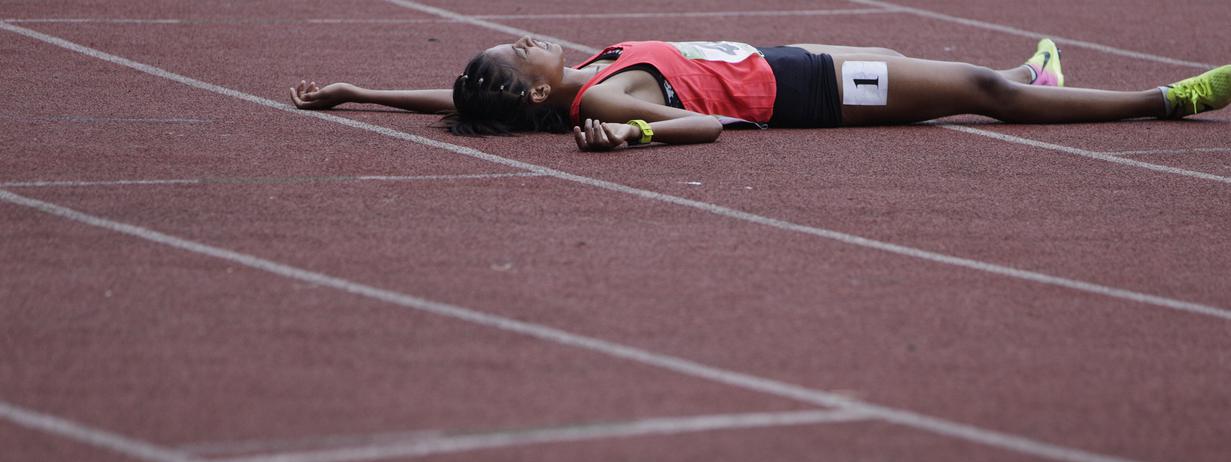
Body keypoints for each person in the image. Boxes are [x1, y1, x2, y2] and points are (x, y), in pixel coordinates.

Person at [290, 37, 1231, 151]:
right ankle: (1164, 102)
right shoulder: (606, 102)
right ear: (538, 91)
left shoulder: (563, 85)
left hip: (802, 62)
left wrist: (356, 88)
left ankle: (1038, 82)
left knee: (984, 83)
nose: (532, 36)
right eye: (521, 49)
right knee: (981, 92)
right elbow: (702, 124)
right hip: (815, 90)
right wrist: (642, 139)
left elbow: (464, 98)